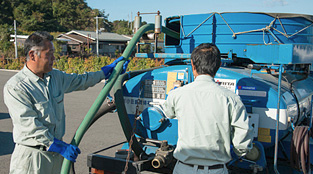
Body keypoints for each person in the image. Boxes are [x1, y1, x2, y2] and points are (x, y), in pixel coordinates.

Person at [3, 31, 129, 174]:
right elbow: (30, 126)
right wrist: (60, 147)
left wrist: (105, 72)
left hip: (56, 157)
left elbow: (81, 80)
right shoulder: (17, 87)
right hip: (33, 158)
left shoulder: (54, 77)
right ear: (32, 55)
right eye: (49, 54)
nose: (53, 58)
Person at [162, 43, 253, 174]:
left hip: (184, 168)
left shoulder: (177, 94)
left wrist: (175, 90)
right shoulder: (231, 99)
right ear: (219, 65)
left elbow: (168, 113)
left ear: (192, 65)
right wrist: (240, 152)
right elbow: (242, 139)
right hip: (216, 169)